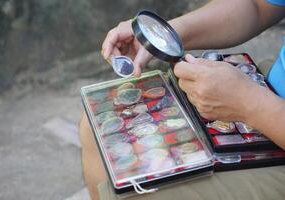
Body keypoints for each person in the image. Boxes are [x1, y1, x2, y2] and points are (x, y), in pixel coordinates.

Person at [80, 0, 285, 199]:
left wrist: (251, 105)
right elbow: (258, 6)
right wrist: (160, 36)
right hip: (272, 88)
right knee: (97, 124)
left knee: (134, 195)